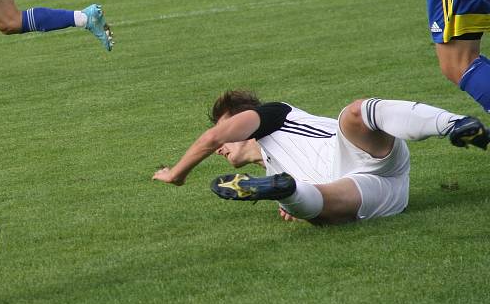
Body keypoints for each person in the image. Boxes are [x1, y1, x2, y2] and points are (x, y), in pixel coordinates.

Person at [153, 89, 489, 225]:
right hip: (368, 192)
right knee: (306, 200)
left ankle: (455, 125)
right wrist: (291, 204)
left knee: (355, 113)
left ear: (244, 121)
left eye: (228, 128)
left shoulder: (274, 115)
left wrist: (177, 174)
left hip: (363, 152)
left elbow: (212, 138)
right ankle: (287, 192)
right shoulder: (272, 166)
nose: (221, 146)